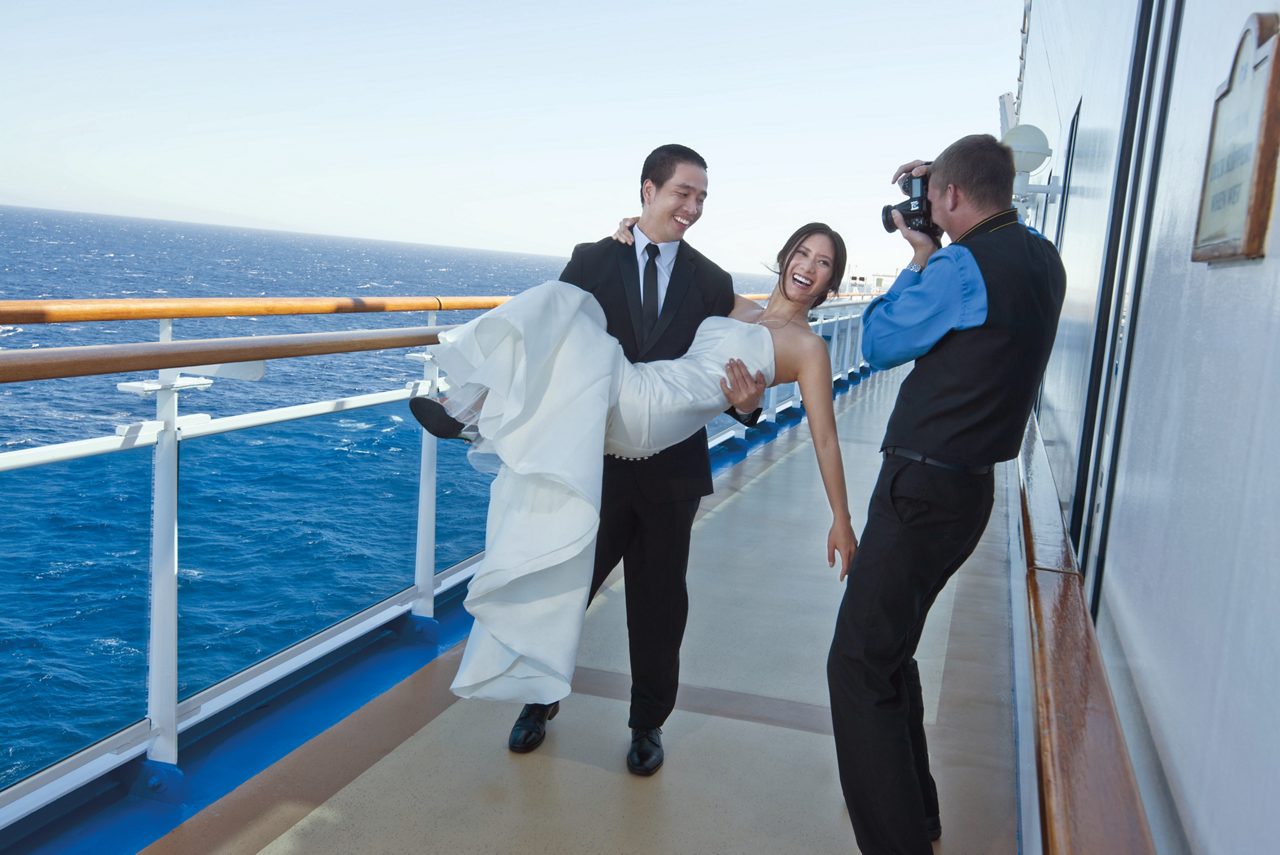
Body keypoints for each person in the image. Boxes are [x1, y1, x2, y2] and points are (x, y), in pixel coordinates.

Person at [412, 220, 858, 777]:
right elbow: (668, 255)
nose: (809, 267)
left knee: (659, 607)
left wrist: (839, 514)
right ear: (785, 256)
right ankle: (539, 695)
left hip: (663, 446)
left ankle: (647, 725)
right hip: (619, 441)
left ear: (830, 284)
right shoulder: (730, 303)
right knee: (569, 577)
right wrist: (632, 232)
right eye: (803, 253)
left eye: (823, 264)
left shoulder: (809, 347)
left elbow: (823, 435)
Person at [825, 134, 1066, 854]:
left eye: (934, 198)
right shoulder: (1043, 258)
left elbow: (880, 340)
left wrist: (920, 255)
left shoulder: (961, 266)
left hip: (920, 490)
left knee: (856, 664)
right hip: (968, 493)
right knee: (889, 652)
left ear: (951, 198)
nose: (926, 209)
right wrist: (944, 185)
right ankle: (920, 825)